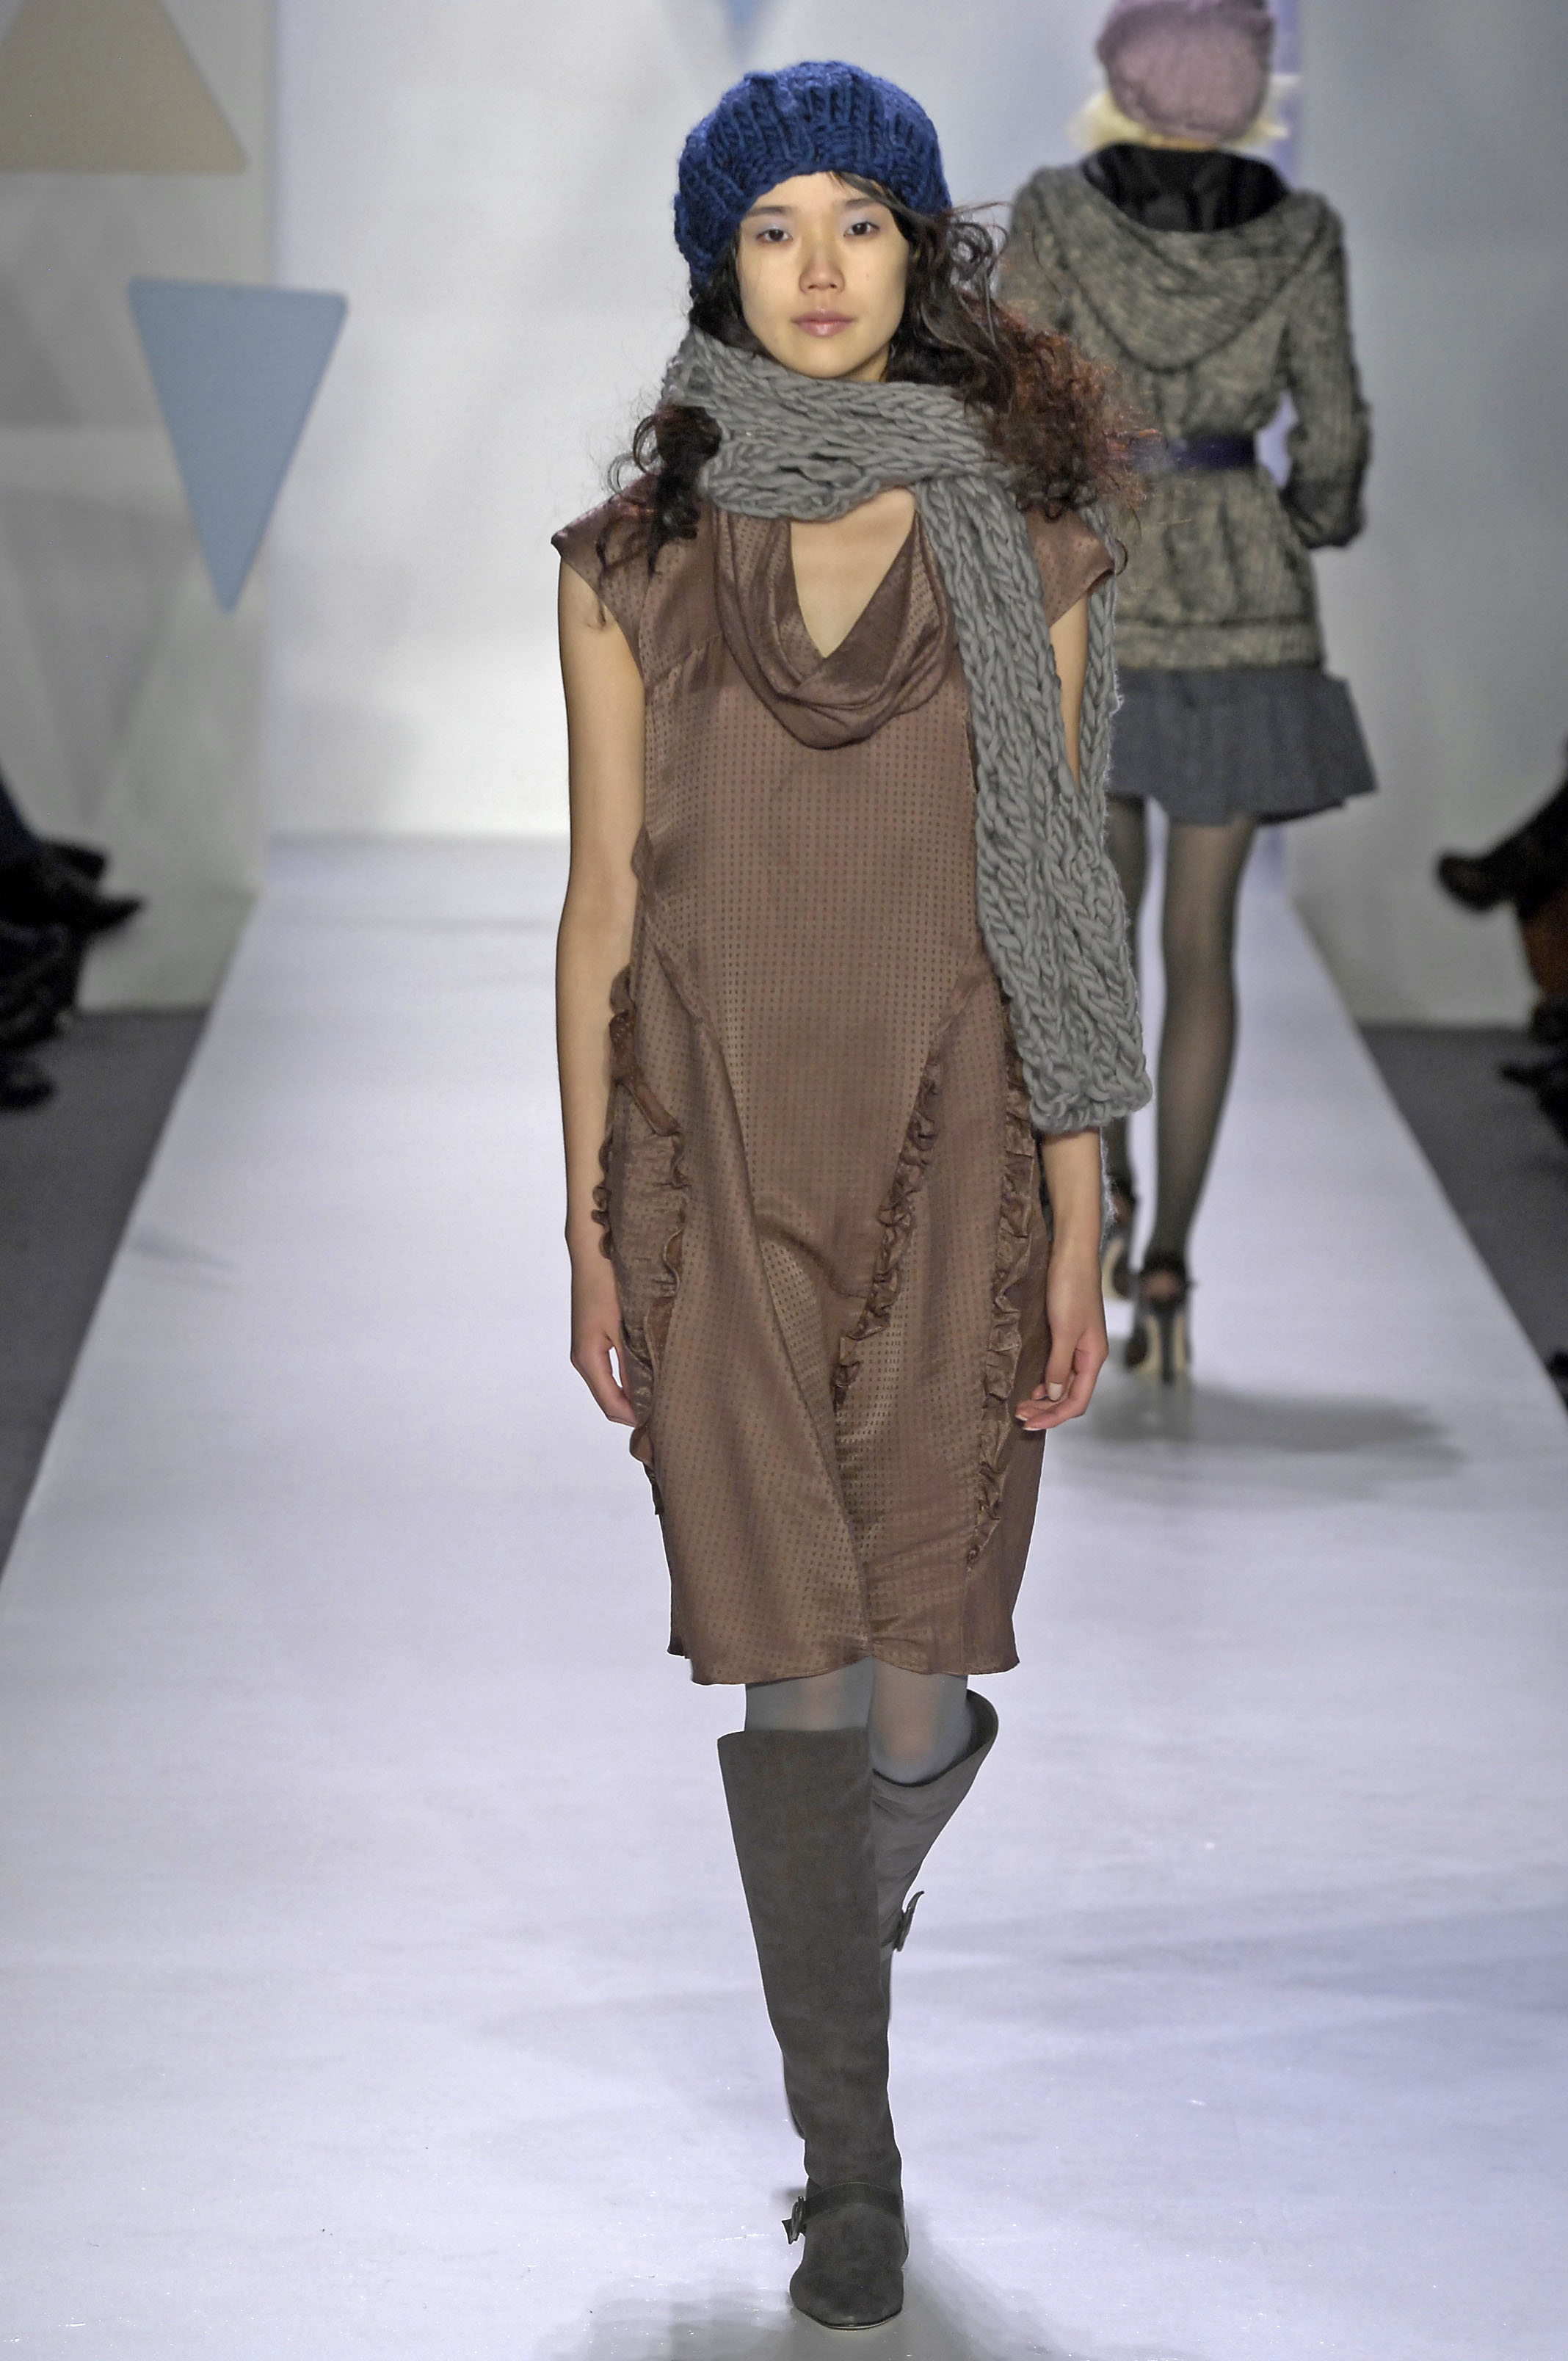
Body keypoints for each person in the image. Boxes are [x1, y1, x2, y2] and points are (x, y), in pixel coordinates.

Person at [553, 62, 1147, 2331]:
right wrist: (587, 1217)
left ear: (923, 253)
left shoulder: (1031, 554)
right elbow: (603, 905)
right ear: (721, 261)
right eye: (775, 226)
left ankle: (857, 1874)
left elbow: (1060, 901)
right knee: (791, 1675)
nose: (819, 269)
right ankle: (849, 2172)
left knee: (910, 1688)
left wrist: (1081, 1212)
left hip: (959, 1155)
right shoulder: (631, 567)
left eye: (862, 222)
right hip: (711, 1164)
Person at [1001, 0, 1374, 1379]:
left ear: (1123, 70)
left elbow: (1011, 405)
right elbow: (1331, 431)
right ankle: (1169, 1269)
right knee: (1203, 948)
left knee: (1094, 938)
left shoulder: (1057, 212)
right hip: (1240, 595)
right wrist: (1312, 515)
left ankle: (1103, 1201)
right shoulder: (1301, 233)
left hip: (1096, 583)